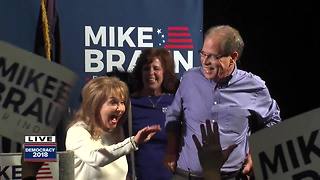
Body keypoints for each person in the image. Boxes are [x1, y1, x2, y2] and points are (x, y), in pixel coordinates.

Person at [164, 25, 281, 179]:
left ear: (233, 57)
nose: (205, 61)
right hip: (186, 175)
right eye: (203, 54)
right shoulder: (189, 79)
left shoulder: (254, 86)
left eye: (213, 56)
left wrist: (255, 154)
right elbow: (173, 115)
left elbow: (273, 120)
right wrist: (171, 151)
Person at [65, 76, 161, 180]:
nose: (120, 109)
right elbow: (96, 158)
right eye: (113, 102)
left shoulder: (115, 132)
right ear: (95, 104)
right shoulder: (77, 131)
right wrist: (133, 142)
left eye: (122, 102)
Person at [128, 48, 180, 180]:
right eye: (146, 69)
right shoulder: (129, 104)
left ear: (165, 73)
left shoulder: (175, 102)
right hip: (138, 175)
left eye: (156, 68)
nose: (151, 73)